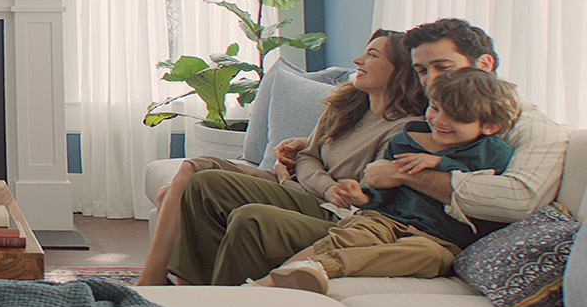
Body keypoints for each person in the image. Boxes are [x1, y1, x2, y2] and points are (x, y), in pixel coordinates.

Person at [167, 18, 568, 285]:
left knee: (251, 217)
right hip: (371, 215)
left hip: (430, 239)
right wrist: (332, 162)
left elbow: (519, 199)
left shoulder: (531, 130)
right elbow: (373, 172)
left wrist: (404, 174)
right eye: (422, 71)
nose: (430, 83)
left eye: (442, 68)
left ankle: (240, 303)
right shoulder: (425, 120)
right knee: (205, 184)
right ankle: (204, 304)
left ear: (485, 63)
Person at [137, 30, 426, 285]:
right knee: (196, 181)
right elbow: (308, 156)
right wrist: (318, 180)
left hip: (332, 209)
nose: (358, 61)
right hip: (310, 190)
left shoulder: (403, 130)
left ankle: (173, 288)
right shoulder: (346, 103)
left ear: (400, 69)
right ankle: (187, 291)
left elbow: (355, 193)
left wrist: (304, 181)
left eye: (371, 55)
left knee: (205, 185)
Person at [258, 67, 518, 292]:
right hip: (388, 218)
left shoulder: (492, 151)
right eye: (436, 108)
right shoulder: (405, 139)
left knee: (430, 257)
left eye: (457, 117)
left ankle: (321, 267)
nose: (439, 121)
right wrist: (364, 196)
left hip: (441, 238)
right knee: (349, 236)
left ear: (489, 126)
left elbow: (482, 186)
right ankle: (266, 282)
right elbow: (385, 191)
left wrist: (440, 163)